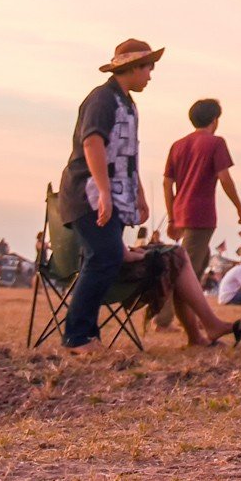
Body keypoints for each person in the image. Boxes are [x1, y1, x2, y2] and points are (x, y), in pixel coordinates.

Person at [57, 38, 161, 353]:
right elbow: (92, 144)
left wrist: (139, 193)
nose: (150, 76)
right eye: (148, 68)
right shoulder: (102, 99)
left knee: (108, 257)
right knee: (103, 257)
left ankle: (85, 336)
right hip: (88, 193)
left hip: (114, 194)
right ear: (133, 67)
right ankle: (77, 337)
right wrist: (103, 192)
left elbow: (127, 154)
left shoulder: (127, 103)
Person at [162, 98, 241, 284]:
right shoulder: (215, 143)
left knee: (199, 263)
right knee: (187, 270)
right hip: (201, 213)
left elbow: (167, 184)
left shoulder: (178, 145)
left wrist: (171, 216)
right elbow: (224, 178)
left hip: (180, 211)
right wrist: (240, 209)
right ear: (215, 120)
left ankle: (189, 313)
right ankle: (163, 313)